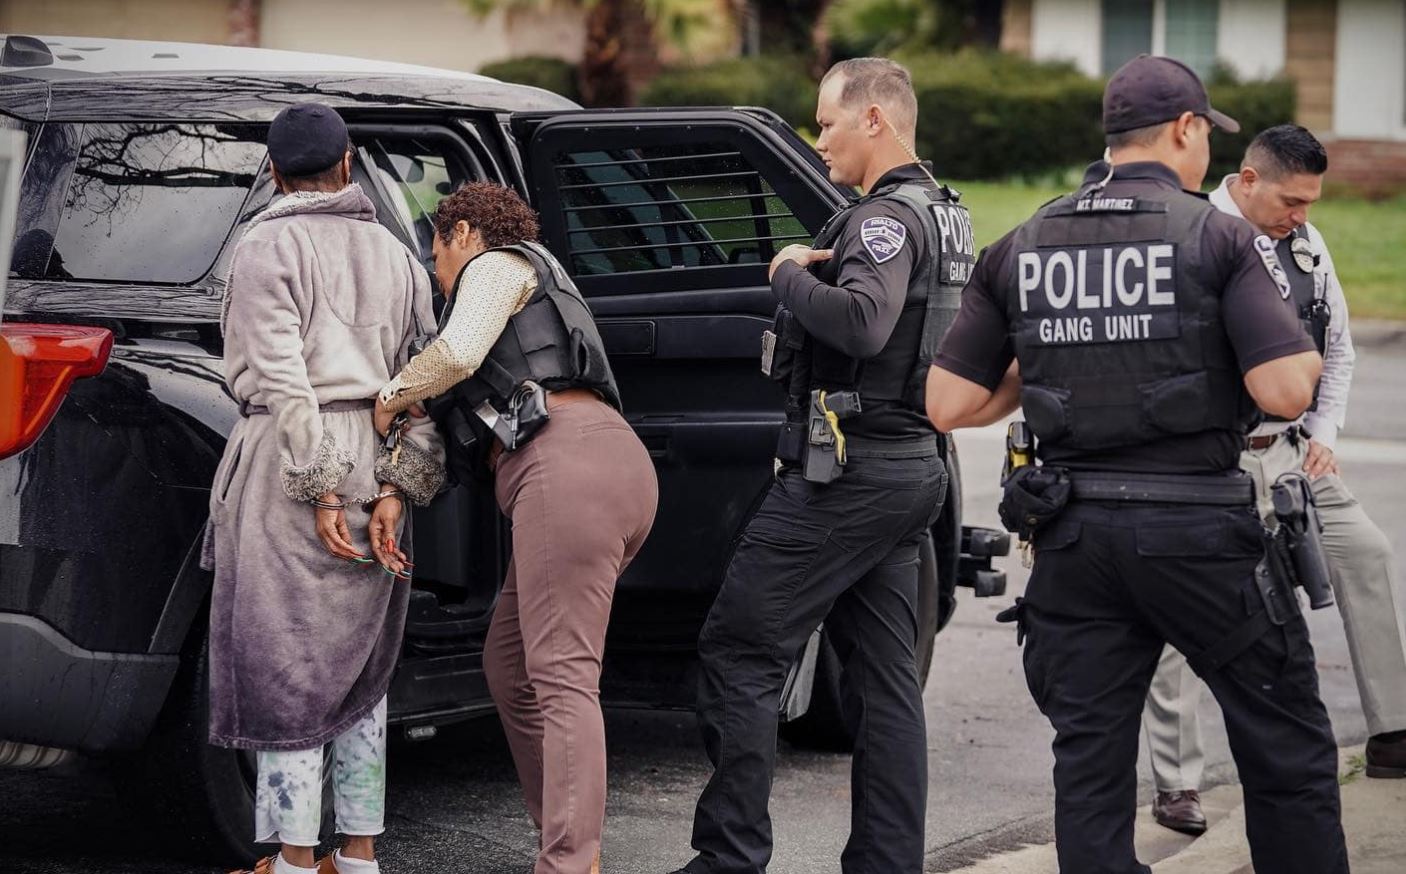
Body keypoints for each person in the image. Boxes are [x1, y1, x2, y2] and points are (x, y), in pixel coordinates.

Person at [925, 56, 1349, 874]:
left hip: (1075, 539)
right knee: (1284, 744)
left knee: (1089, 759)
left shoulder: (1027, 240)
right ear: (1188, 130)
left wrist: (1064, 356)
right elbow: (1289, 387)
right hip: (1198, 535)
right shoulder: (1219, 237)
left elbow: (948, 402)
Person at [668, 57, 966, 874]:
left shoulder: (884, 221)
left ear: (875, 119)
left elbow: (865, 325)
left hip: (850, 474)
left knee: (739, 650)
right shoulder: (944, 214)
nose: (820, 139)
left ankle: (728, 858)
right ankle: (886, 861)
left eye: (828, 122)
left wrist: (786, 275)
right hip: (910, 469)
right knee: (884, 682)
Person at [373, 181, 657, 874]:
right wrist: (393, 491)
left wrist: (385, 398)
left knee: (560, 676)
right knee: (511, 667)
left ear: (463, 233)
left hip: (567, 470)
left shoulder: (498, 265)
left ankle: (568, 861)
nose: (439, 276)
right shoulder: (517, 292)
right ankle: (566, 841)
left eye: (436, 255)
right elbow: (449, 415)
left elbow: (457, 355)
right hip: (596, 467)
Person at [1142, 124, 1406, 835]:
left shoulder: (1308, 245)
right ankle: (1177, 783)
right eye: (1292, 200)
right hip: (1209, 460)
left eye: (1311, 203)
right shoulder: (1194, 237)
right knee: (1178, 613)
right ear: (1248, 180)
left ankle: (1393, 733)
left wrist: (1323, 433)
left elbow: (1339, 348)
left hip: (1289, 455)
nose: (1303, 215)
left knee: (1367, 553)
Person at [203, 102, 445, 874]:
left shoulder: (266, 246)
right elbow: (420, 382)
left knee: (290, 669)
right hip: (378, 447)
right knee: (360, 668)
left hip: (290, 458)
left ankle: (296, 858)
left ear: (274, 173)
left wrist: (322, 491)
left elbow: (281, 381)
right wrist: (393, 488)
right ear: (349, 166)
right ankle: (362, 853)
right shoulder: (399, 256)